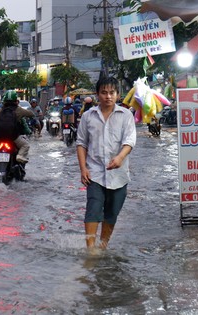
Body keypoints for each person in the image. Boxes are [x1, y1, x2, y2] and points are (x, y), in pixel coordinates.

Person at [76, 76, 136, 252]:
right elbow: (81, 143)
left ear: (118, 95)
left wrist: (120, 157)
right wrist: (83, 168)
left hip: (119, 175)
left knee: (111, 213)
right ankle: (90, 250)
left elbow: (130, 140)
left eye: (111, 93)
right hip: (94, 172)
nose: (108, 96)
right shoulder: (88, 116)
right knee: (93, 208)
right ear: (97, 94)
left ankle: (102, 246)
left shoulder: (126, 116)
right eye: (104, 92)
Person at [0, 90, 34, 163]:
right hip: (13, 136)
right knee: (25, 145)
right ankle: (20, 155)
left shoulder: (1, 110)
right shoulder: (19, 110)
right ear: (16, 100)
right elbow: (31, 114)